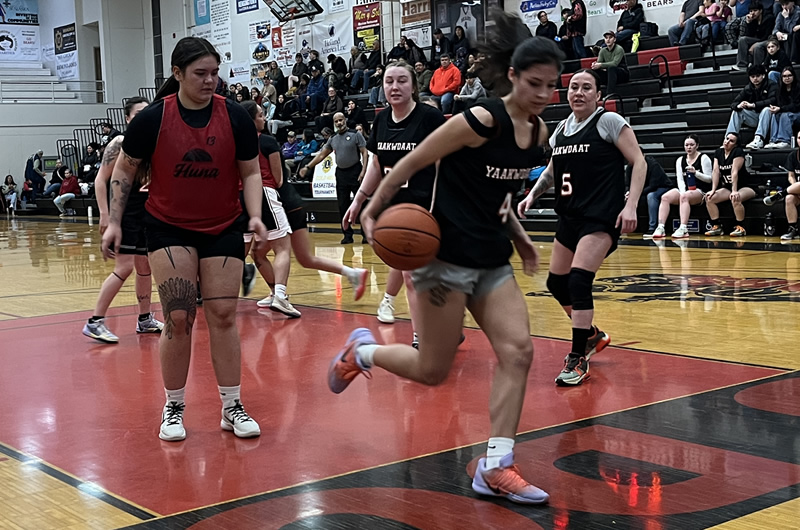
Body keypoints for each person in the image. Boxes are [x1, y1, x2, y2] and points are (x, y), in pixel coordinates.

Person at [329, 12, 558, 505]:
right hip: (445, 257)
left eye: (550, 85)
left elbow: (500, 195)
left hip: (492, 259)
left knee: (519, 351)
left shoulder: (539, 134)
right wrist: (371, 207)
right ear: (513, 76)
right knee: (432, 370)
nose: (543, 94)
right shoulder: (481, 119)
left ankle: (495, 466)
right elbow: (413, 160)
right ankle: (361, 353)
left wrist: (520, 237)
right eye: (534, 83)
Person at [100, 36, 267, 442]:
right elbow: (124, 170)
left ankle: (231, 406)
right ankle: (173, 406)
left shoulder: (235, 117)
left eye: (215, 73)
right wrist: (114, 221)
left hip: (223, 225)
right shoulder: (153, 119)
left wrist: (255, 216)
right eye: (200, 73)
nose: (210, 80)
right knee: (178, 316)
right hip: (168, 226)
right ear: (177, 74)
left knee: (223, 316)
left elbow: (250, 172)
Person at [517, 68, 646, 386]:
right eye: (574, 86)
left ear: (598, 95)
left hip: (600, 216)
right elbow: (552, 170)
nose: (579, 92)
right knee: (556, 283)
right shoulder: (561, 129)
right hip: (570, 216)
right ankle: (590, 335)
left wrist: (631, 205)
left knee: (578, 281)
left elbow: (639, 162)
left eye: (587, 87)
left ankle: (578, 358)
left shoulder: (609, 122)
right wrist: (532, 195)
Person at [341, 60, 446, 341]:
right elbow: (376, 164)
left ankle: (427, 334)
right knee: (409, 269)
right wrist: (359, 199)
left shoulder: (430, 118)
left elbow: (446, 163)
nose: (395, 87)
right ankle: (430, 331)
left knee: (422, 273)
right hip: (397, 208)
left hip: (429, 206)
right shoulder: (382, 120)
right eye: (389, 81)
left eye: (401, 81)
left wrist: (438, 208)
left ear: (413, 86)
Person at [82, 97, 164, 343]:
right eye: (138, 113)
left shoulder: (154, 143)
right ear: (128, 118)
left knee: (144, 267)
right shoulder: (119, 143)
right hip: (125, 212)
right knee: (124, 267)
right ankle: (95, 321)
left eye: (147, 112)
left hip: (146, 212)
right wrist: (105, 215)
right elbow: (100, 180)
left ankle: (145, 319)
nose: (143, 117)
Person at [240, 100, 301, 318]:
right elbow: (278, 178)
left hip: (240, 197)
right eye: (260, 115)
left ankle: (273, 291)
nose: (264, 118)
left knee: (250, 253)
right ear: (251, 120)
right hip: (264, 193)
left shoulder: (234, 142)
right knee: (283, 247)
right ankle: (281, 296)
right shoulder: (267, 141)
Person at [299, 113, 368, 243]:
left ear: (345, 120)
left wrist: (363, 171)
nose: (339, 123)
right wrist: (307, 167)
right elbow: (321, 155)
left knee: (361, 204)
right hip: (341, 174)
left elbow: (364, 152)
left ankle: (366, 234)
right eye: (336, 121)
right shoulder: (333, 139)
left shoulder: (355, 134)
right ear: (334, 123)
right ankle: (347, 235)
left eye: (341, 120)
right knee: (342, 205)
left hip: (355, 172)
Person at [652, 134, 714, 239]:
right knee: (665, 197)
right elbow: (680, 179)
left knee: (684, 197)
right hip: (685, 190)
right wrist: (682, 191)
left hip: (700, 191)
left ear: (697, 146)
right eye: (686, 145)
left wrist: (696, 173)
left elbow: (709, 179)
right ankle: (661, 227)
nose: (689, 147)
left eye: (691, 145)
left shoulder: (703, 158)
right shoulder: (680, 160)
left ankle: (683, 228)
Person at [704, 132, 756, 237]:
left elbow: (734, 171)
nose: (727, 142)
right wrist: (713, 190)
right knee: (709, 198)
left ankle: (741, 227)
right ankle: (717, 226)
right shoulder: (718, 152)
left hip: (745, 186)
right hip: (728, 186)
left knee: (736, 197)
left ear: (735, 144)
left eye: (731, 141)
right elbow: (715, 171)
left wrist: (734, 190)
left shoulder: (738, 152)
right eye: (727, 138)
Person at [750, 65, 800, 148]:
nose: (787, 78)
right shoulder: (780, 90)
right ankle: (773, 140)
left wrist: (781, 109)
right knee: (774, 114)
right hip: (786, 111)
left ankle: (785, 140)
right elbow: (780, 104)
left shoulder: (798, 88)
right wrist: (776, 108)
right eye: (784, 76)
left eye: (789, 76)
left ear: (793, 76)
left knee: (785, 115)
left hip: (797, 113)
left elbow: (796, 106)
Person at [626, 150, 671, 237]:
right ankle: (630, 227)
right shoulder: (630, 166)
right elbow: (627, 184)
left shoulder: (653, 165)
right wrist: (628, 192)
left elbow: (653, 186)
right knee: (626, 197)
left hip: (662, 187)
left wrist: (635, 194)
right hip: (644, 189)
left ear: (643, 155)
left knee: (651, 196)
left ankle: (652, 227)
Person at [764, 128, 800, 239]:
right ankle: (793, 229)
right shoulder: (793, 155)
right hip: (797, 191)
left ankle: (780, 194)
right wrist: (795, 188)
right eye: (799, 138)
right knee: (789, 198)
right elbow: (791, 176)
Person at [728, 64, 776, 137]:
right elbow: (734, 103)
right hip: (755, 117)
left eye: (757, 76)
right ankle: (729, 138)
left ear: (763, 75)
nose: (755, 79)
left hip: (770, 118)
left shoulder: (771, 85)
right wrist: (739, 106)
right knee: (736, 111)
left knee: (766, 110)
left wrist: (754, 105)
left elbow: (772, 100)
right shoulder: (748, 88)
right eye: (752, 77)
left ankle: (759, 138)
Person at [733, 4, 775, 70]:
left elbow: (767, 35)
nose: (752, 13)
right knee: (742, 39)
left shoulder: (769, 18)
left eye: (755, 10)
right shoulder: (753, 19)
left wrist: (755, 44)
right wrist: (749, 23)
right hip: (758, 39)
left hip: (768, 39)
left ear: (760, 11)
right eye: (751, 11)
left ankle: (757, 68)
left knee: (757, 47)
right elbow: (749, 35)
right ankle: (741, 64)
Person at [592, 31, 629, 96]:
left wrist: (601, 65)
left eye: (610, 37)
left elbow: (615, 64)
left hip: (622, 74)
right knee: (594, 71)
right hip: (609, 74)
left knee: (612, 68)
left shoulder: (619, 49)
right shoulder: (602, 50)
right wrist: (595, 65)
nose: (608, 40)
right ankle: (595, 94)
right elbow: (599, 63)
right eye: (606, 38)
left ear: (614, 39)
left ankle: (610, 94)